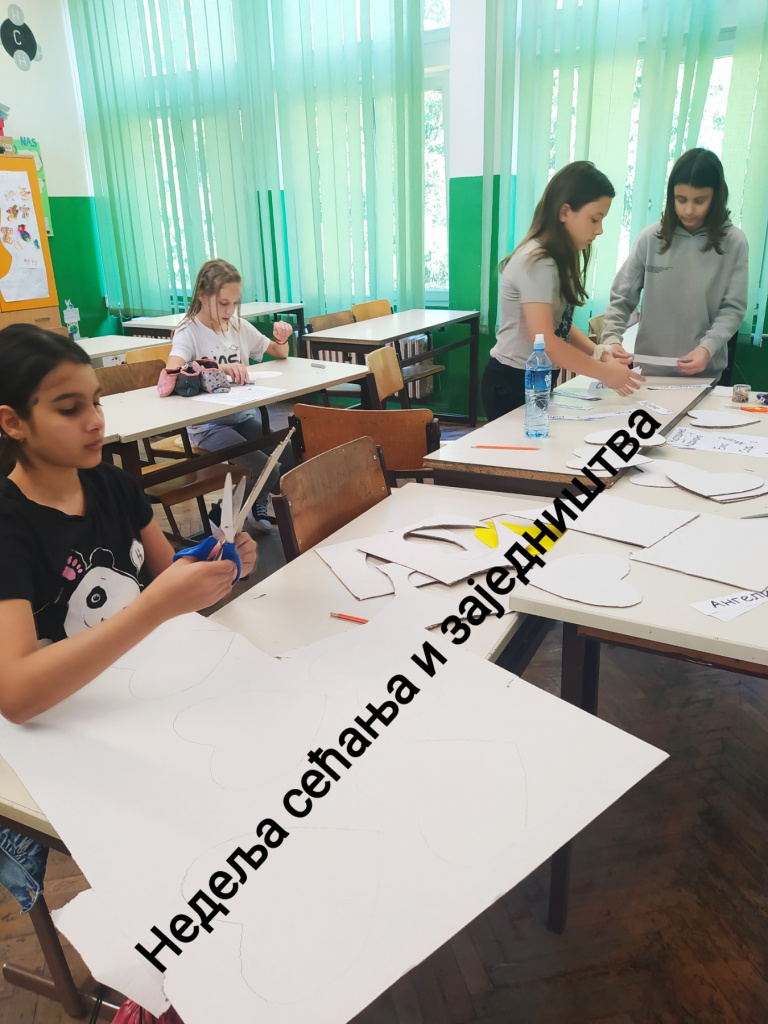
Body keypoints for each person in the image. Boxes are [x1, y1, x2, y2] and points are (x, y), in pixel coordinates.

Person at [0, 324, 256, 918]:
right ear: (13, 422)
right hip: (69, 737)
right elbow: (16, 695)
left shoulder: (111, 484)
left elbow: (172, 584)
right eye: (69, 409)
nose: (95, 421)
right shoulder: (9, 527)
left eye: (95, 402)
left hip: (147, 699)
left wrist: (221, 566)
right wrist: (155, 605)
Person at [481, 161, 644, 421]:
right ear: (565, 212)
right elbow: (546, 342)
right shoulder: (538, 261)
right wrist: (606, 373)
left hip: (535, 377)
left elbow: (560, 326)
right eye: (594, 219)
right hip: (511, 382)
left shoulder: (557, 259)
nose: (599, 230)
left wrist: (599, 352)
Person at [166, 259, 293, 532]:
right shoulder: (189, 332)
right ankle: (220, 515)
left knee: (289, 452)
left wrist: (282, 338)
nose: (230, 310)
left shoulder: (237, 326)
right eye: (224, 303)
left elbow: (279, 352)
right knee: (265, 468)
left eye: (235, 303)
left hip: (241, 417)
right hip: (208, 426)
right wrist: (217, 368)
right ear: (202, 295)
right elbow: (173, 372)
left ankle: (255, 502)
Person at [601, 148, 749, 380]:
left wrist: (706, 348)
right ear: (671, 197)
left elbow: (732, 309)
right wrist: (611, 340)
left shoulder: (734, 242)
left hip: (705, 374)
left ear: (716, 197)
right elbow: (620, 299)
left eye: (699, 201)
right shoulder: (651, 238)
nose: (688, 210)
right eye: (681, 200)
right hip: (649, 373)